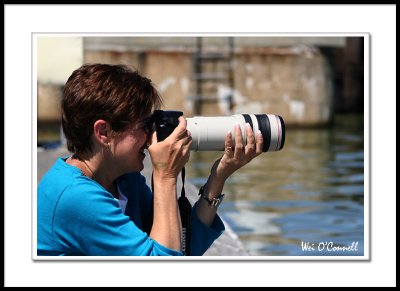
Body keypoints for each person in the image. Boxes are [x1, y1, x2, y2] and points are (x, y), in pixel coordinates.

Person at [37, 63, 264, 256]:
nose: (151, 135)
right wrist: (165, 176)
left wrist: (219, 174)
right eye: (144, 125)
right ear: (104, 132)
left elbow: (182, 246)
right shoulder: (75, 197)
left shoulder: (124, 180)